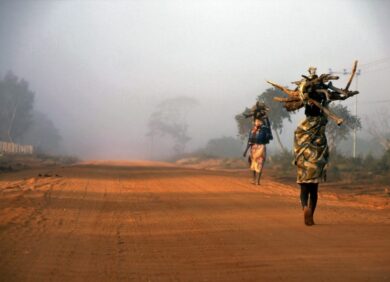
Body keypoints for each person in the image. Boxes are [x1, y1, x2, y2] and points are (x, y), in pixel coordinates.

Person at [267, 63, 359, 226]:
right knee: (314, 189)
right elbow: (341, 95)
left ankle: (304, 208)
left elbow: (292, 102)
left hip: (304, 147)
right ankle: (311, 214)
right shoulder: (324, 98)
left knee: (303, 187)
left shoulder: (305, 104)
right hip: (317, 148)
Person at [243, 117, 273, 185]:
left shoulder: (264, 130)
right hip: (253, 148)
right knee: (253, 163)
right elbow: (249, 141)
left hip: (261, 148)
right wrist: (246, 150)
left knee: (260, 163)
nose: (257, 122)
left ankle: (258, 181)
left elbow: (268, 127)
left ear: (261, 122)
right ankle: (254, 179)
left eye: (258, 121)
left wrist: (267, 119)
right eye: (256, 121)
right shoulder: (253, 130)